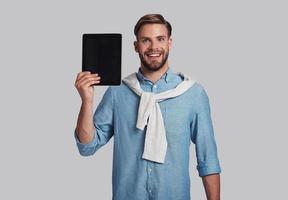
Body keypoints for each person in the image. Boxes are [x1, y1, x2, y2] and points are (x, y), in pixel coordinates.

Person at [74, 14, 221, 200]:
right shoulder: (117, 93)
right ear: (136, 46)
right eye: (145, 40)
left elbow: (208, 158)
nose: (153, 47)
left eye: (160, 39)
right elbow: (87, 147)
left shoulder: (193, 94)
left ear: (170, 43)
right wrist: (86, 101)